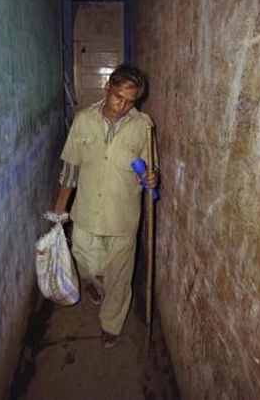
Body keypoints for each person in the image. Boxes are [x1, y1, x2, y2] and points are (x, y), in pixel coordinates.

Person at [53, 64, 158, 348]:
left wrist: (150, 175)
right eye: (118, 97)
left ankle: (111, 324)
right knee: (85, 264)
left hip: (123, 216)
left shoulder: (143, 126)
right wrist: (59, 212)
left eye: (130, 101)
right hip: (86, 212)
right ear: (107, 89)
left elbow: (150, 170)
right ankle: (93, 284)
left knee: (119, 276)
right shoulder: (84, 120)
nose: (122, 106)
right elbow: (71, 167)